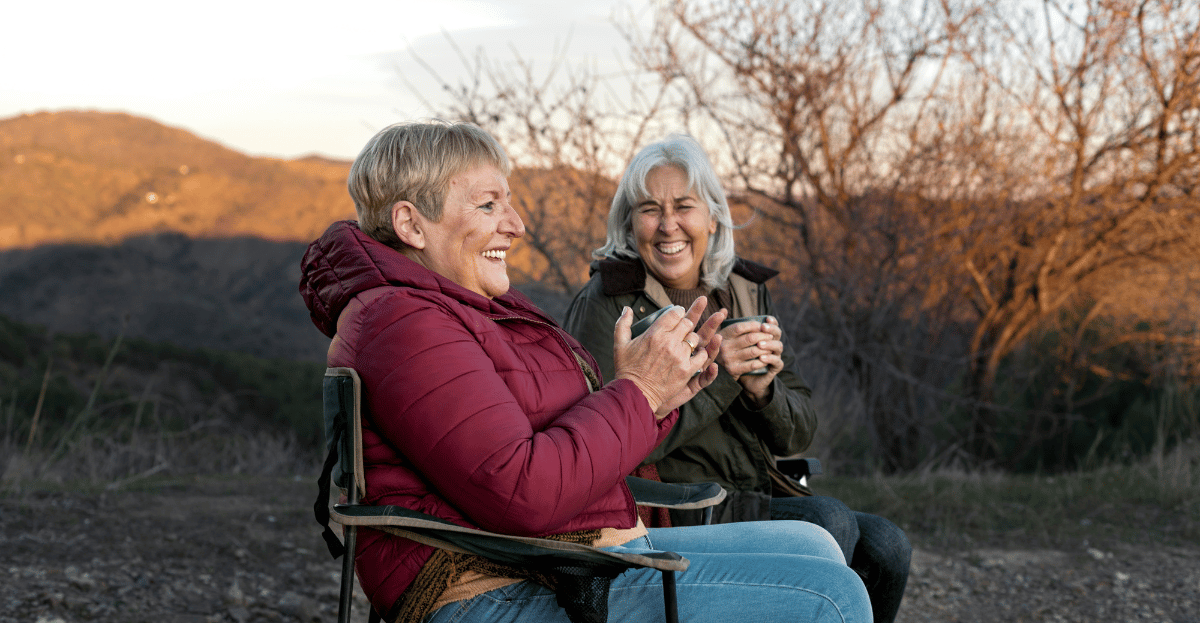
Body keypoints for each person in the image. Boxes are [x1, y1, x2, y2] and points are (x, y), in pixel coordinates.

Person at [299, 120, 871, 623]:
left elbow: (567, 434)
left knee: (815, 545)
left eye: (509, 202)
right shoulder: (406, 325)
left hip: (565, 552)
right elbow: (523, 491)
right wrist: (639, 390)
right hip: (492, 581)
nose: (516, 224)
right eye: (488, 205)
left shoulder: (462, 306)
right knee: (832, 595)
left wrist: (663, 392)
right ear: (411, 224)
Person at [563, 134, 911, 623]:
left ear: (712, 217)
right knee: (828, 520)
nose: (668, 226)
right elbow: (602, 447)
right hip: (677, 504)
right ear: (629, 221)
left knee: (888, 546)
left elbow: (798, 434)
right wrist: (722, 370)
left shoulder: (743, 290)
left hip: (755, 492)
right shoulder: (608, 301)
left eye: (684, 206)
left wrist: (763, 392)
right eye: (649, 209)